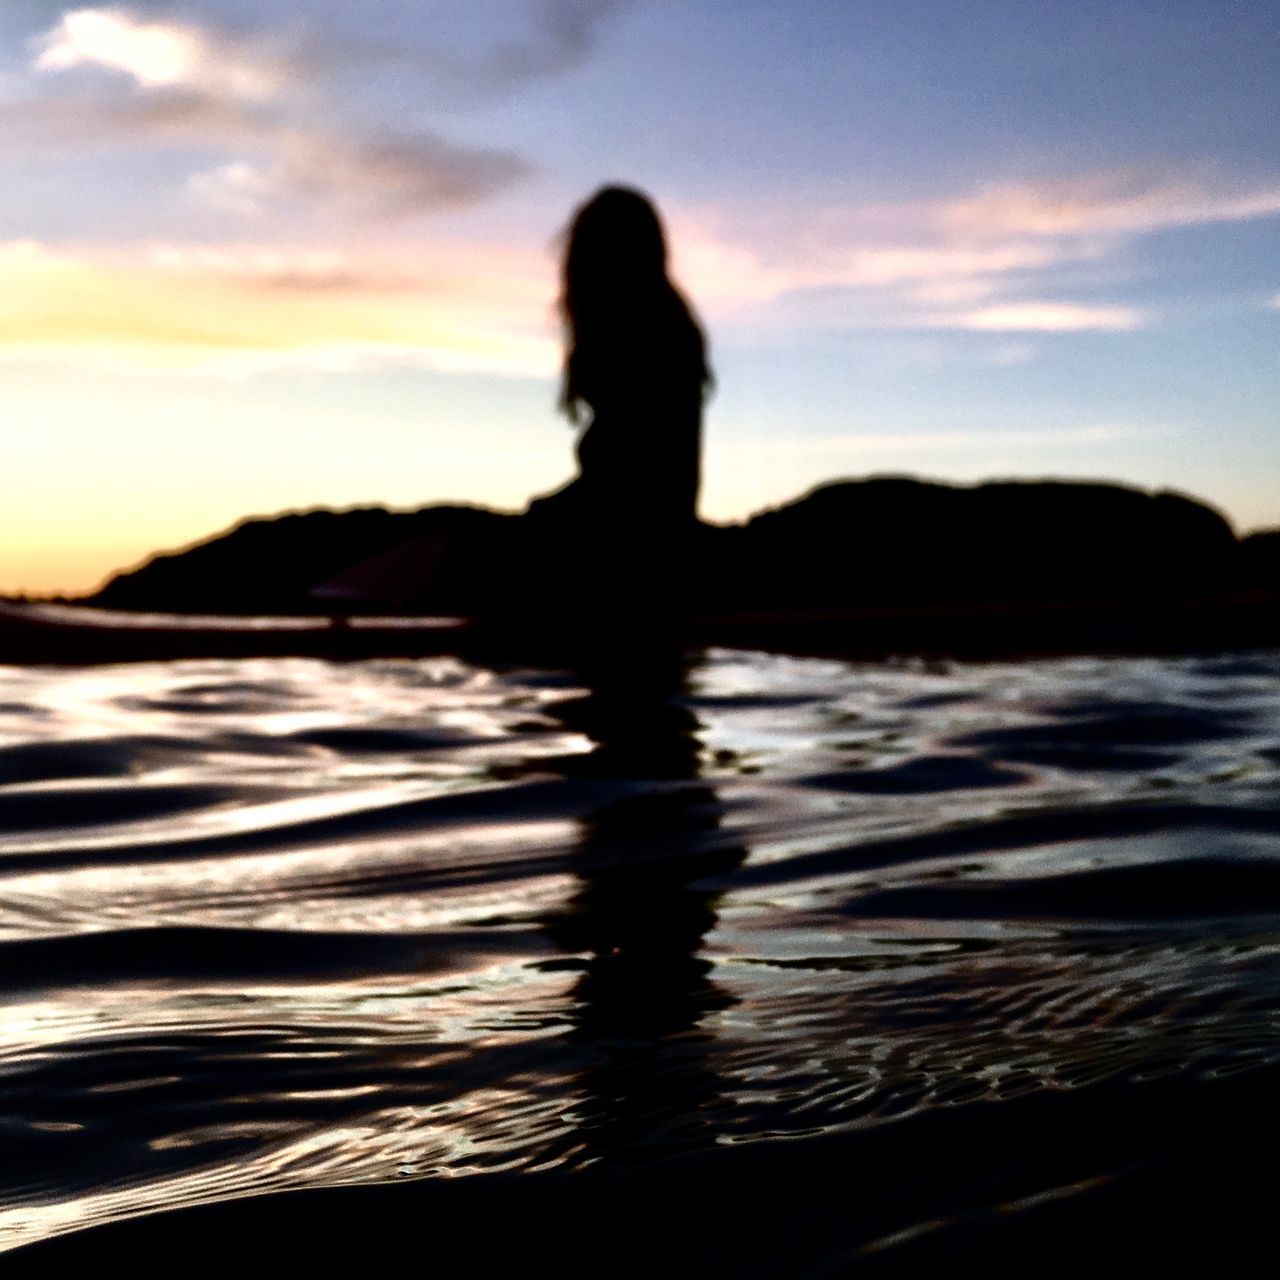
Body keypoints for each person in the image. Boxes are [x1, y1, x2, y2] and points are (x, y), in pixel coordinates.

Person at [524, 186, 713, 614]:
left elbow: (633, 482)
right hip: (642, 535)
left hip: (632, 547)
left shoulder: (650, 335)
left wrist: (546, 517)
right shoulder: (666, 328)